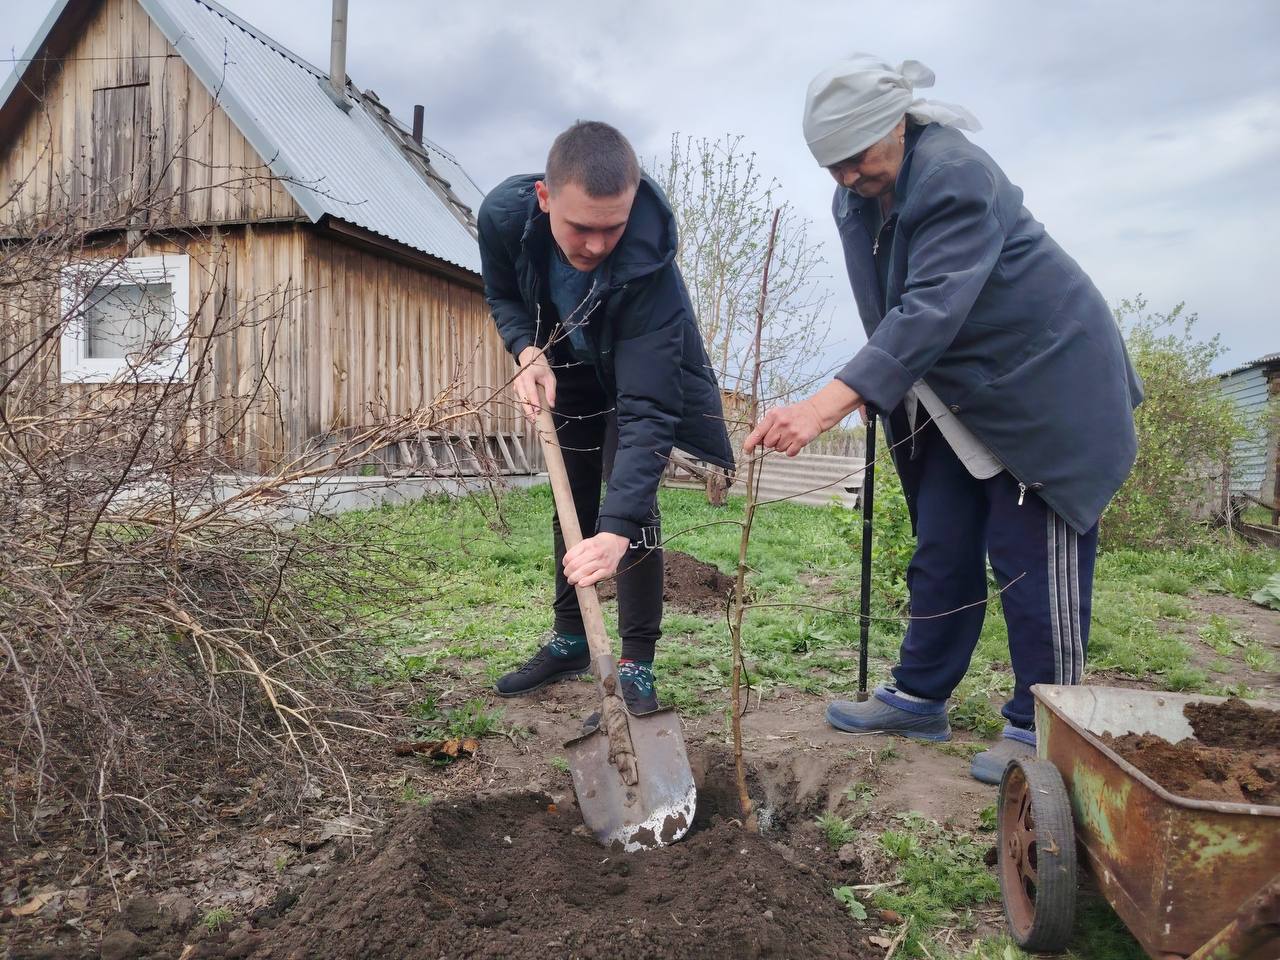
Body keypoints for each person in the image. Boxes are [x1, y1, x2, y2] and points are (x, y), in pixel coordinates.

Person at [745, 56, 1142, 784]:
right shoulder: (856, 199)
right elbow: (886, 313)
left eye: (856, 157)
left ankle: (1042, 725)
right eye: (830, 164)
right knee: (943, 542)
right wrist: (884, 390)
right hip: (956, 392)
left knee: (1032, 556)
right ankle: (920, 696)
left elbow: (930, 308)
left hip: (1043, 384)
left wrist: (826, 403)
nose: (844, 176)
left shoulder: (956, 174)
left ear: (894, 124)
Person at [478, 120, 734, 713]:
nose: (595, 245)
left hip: (630, 383)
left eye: (611, 228)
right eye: (580, 227)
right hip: (568, 373)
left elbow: (648, 409)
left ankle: (635, 665)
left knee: (629, 511)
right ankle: (571, 639)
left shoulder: (650, 270)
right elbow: (503, 296)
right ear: (544, 199)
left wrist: (616, 530)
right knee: (571, 504)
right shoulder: (503, 219)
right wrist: (526, 349)